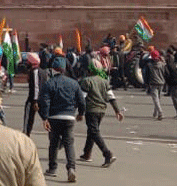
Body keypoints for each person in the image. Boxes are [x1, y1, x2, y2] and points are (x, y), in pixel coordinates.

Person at [39, 55, 85, 183]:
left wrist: (45, 118)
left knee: (53, 144)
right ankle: (71, 168)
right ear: (64, 69)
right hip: (69, 116)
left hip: (54, 117)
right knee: (69, 143)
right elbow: (81, 101)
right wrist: (81, 113)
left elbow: (44, 102)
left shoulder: (49, 83)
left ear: (53, 69)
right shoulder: (73, 83)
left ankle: (52, 168)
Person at [78, 59, 123, 167]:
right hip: (102, 110)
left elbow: (82, 98)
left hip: (91, 110)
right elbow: (111, 97)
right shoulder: (104, 81)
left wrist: (80, 113)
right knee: (92, 131)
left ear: (90, 70)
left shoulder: (86, 81)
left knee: (94, 131)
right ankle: (87, 153)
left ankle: (107, 154)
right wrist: (117, 111)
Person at [22, 52, 44, 136]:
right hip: (41, 98)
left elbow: (36, 86)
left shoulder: (34, 72)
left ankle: (26, 135)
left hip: (33, 99)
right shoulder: (42, 71)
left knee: (28, 119)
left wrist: (35, 101)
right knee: (45, 118)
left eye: (28, 61)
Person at [143, 49, 166, 120]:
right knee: (158, 98)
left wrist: (146, 83)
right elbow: (165, 72)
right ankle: (155, 112)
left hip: (153, 82)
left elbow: (146, 75)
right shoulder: (162, 64)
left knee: (155, 98)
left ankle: (160, 112)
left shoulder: (149, 65)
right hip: (161, 82)